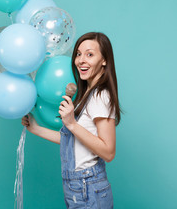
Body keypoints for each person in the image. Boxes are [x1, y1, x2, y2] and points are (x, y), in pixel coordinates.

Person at [22, 32, 121, 208]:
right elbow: (72, 141)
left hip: (88, 186)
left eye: (90, 54)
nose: (81, 60)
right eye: (78, 54)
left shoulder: (100, 96)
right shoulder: (85, 96)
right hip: (76, 186)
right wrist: (36, 128)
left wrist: (72, 124)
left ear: (104, 60)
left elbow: (108, 152)